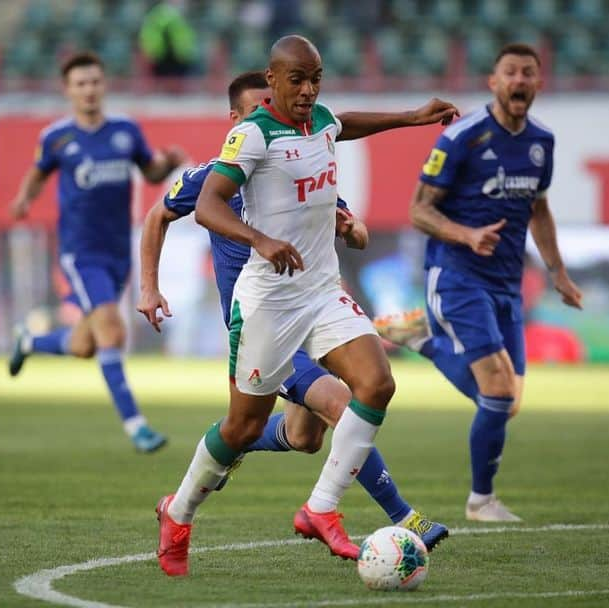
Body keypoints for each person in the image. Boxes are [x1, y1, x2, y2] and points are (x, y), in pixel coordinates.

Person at [153, 35, 459, 576]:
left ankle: (320, 508)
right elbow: (206, 206)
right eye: (297, 78)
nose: (308, 89)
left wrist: (414, 117)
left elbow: (346, 122)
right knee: (242, 429)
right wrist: (260, 240)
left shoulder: (318, 120)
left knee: (376, 384)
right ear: (272, 79)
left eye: (315, 78)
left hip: (321, 291)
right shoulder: (252, 136)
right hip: (268, 302)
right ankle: (177, 515)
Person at [374, 43, 583, 522]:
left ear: (538, 84)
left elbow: (540, 208)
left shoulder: (541, 142)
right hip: (457, 274)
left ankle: (421, 340)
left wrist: (558, 272)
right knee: (496, 387)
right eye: (510, 72)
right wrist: (466, 234)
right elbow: (418, 210)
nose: (519, 80)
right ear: (494, 82)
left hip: (506, 283)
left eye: (528, 73)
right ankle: (481, 500)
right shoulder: (464, 137)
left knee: (504, 404)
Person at [8, 52, 186, 453]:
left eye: (94, 82)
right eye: (80, 84)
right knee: (112, 329)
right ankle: (137, 426)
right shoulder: (57, 137)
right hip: (80, 252)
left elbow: (149, 171)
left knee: (86, 344)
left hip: (118, 251)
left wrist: (167, 163)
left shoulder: (125, 130)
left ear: (104, 86)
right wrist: (23, 199)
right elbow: (38, 172)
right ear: (68, 91)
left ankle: (29, 343)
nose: (89, 90)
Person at [139, 0, 198, 77]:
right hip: (164, 59)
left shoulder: (181, 14)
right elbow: (149, 36)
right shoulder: (161, 15)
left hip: (178, 58)